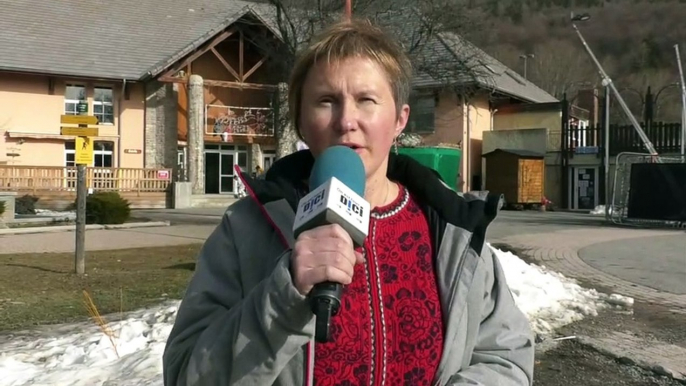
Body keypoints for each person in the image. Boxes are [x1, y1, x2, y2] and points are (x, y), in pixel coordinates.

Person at [163, 19, 534, 386]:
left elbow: (507, 357)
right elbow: (185, 374)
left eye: (366, 100)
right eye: (326, 101)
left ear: (400, 119)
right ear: (301, 121)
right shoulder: (245, 230)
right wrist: (282, 296)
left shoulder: (452, 227)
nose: (346, 121)